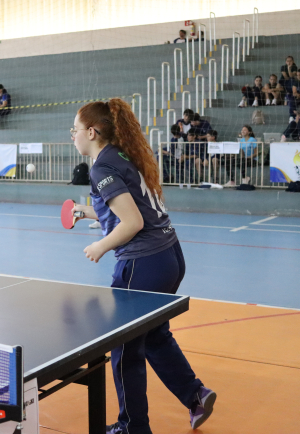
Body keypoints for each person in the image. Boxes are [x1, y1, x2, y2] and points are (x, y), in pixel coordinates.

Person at [69, 98, 216, 433]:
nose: (72, 135)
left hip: (142, 264)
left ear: (91, 132)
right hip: (169, 257)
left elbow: (132, 222)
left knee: (123, 347)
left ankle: (132, 427)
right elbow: (129, 210)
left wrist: (100, 246)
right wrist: (88, 211)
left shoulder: (101, 168)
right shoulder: (122, 156)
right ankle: (195, 395)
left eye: (75, 130)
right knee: (153, 335)